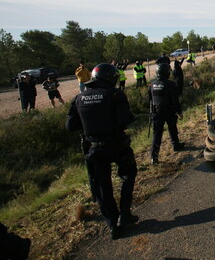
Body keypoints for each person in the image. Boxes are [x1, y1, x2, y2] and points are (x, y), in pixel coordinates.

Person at [65, 63, 138, 240]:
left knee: (103, 187)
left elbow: (70, 126)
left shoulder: (79, 97)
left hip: (93, 148)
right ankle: (124, 213)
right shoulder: (115, 94)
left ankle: (112, 224)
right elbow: (125, 120)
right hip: (117, 145)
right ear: (110, 78)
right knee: (128, 174)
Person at [148, 63, 184, 164]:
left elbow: (150, 101)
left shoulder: (152, 85)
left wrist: (151, 113)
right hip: (168, 111)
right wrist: (179, 112)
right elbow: (175, 100)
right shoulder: (170, 84)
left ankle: (153, 157)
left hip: (156, 112)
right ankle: (176, 145)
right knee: (172, 128)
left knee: (157, 135)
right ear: (167, 72)